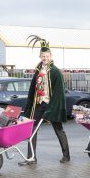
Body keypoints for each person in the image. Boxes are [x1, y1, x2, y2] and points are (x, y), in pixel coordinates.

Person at [19, 35, 70, 165]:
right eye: (43, 56)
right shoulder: (38, 71)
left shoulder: (56, 72)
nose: (45, 58)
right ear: (40, 57)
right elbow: (33, 89)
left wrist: (52, 107)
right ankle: (32, 158)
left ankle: (66, 156)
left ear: (51, 56)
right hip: (40, 104)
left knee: (58, 129)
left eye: (47, 56)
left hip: (51, 104)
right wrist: (31, 105)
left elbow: (59, 93)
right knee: (32, 129)